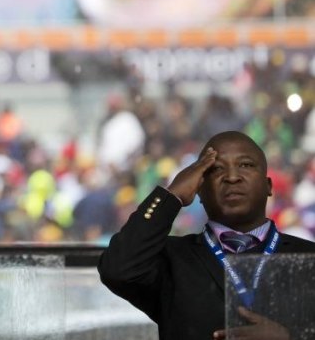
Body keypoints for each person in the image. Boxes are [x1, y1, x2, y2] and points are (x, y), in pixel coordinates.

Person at [98, 131, 315, 339]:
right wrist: (171, 196)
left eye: (246, 165)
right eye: (216, 169)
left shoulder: (309, 258)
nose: (232, 177)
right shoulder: (170, 260)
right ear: (198, 189)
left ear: (268, 186)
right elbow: (117, 270)